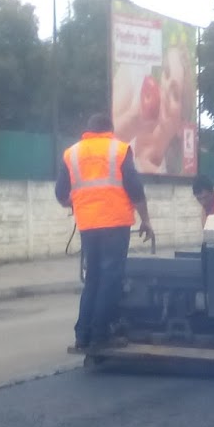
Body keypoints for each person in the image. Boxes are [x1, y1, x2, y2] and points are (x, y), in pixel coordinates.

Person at [56, 112, 154, 352]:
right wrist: (146, 221)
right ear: (110, 130)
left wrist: (79, 203)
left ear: (88, 129)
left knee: (93, 279)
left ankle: (83, 335)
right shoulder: (119, 150)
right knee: (110, 279)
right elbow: (135, 189)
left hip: (88, 225)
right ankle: (101, 335)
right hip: (115, 223)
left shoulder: (72, 153)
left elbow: (61, 193)